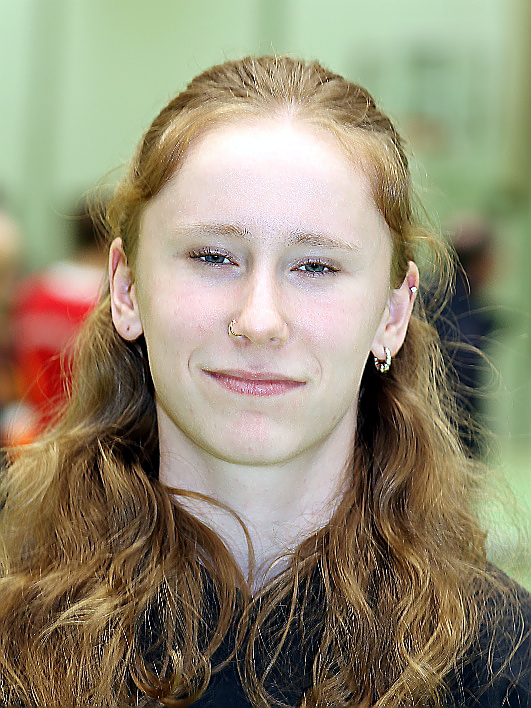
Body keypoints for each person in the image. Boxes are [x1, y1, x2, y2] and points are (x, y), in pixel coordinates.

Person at [0, 56, 528, 707]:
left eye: (315, 267)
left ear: (393, 314)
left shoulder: (500, 664)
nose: (258, 321)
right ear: (127, 288)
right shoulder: (18, 647)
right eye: (213, 257)